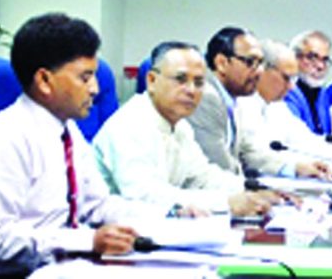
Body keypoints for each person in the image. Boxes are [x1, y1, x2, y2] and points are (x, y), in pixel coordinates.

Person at [0, 13, 159, 275]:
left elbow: (96, 205)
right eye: (85, 77)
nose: (94, 89)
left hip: (64, 267)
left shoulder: (67, 129)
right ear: (45, 81)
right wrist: (86, 241)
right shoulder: (3, 140)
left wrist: (162, 219)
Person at [94, 41, 281, 217]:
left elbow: (203, 176)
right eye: (180, 79)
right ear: (151, 81)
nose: (191, 90)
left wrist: (254, 191)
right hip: (107, 236)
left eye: (199, 82)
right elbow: (147, 194)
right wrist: (227, 202)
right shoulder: (130, 123)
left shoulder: (180, 125)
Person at [189, 27, 327, 179]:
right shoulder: (207, 97)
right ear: (222, 63)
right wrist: (253, 192)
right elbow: (219, 165)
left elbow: (249, 152)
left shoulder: (233, 98)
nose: (259, 71)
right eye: (250, 62)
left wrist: (295, 168)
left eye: (260, 63)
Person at [236, 39, 332, 165]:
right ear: (262, 70)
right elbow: (258, 155)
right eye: (286, 78)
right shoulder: (243, 105)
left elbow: (305, 140)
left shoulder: (276, 106)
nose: (291, 87)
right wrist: (298, 167)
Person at [284, 30, 332, 135]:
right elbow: (295, 137)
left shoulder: (323, 94)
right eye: (312, 58)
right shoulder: (284, 91)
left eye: (325, 60)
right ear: (294, 58)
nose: (320, 66)